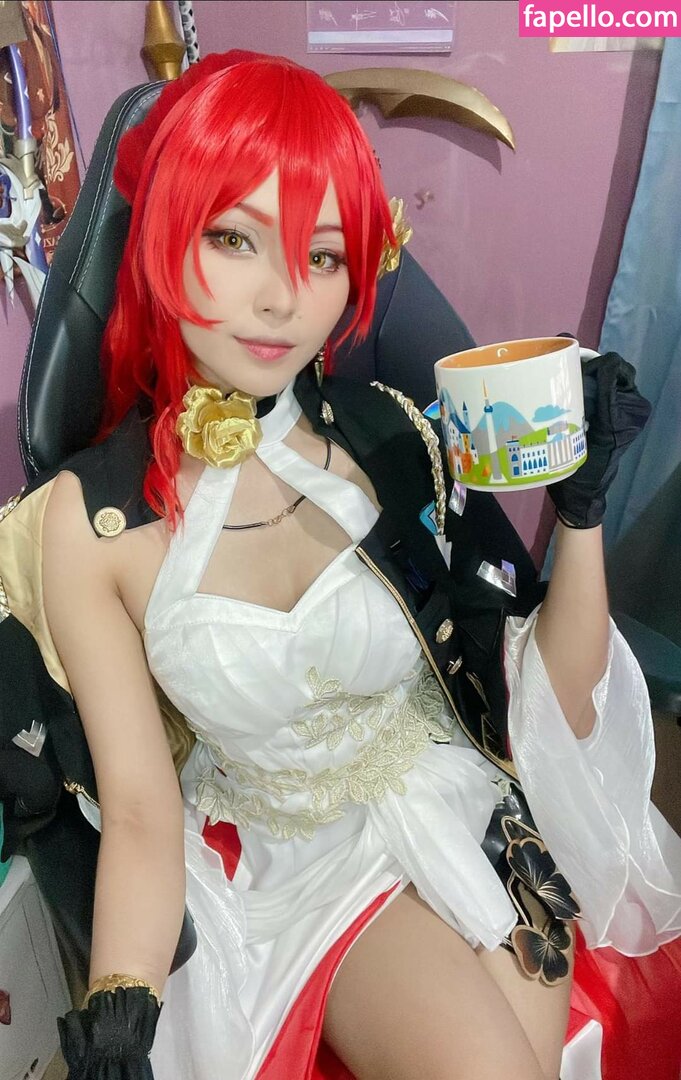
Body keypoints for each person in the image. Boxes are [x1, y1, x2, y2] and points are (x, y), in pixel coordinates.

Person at [1, 49, 680, 1080]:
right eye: (234, 238)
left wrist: (578, 512)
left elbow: (556, 693)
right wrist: (121, 1001)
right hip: (298, 861)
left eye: (322, 257)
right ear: (162, 240)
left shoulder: (391, 435)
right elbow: (138, 805)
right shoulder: (88, 520)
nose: (282, 297)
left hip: (468, 809)